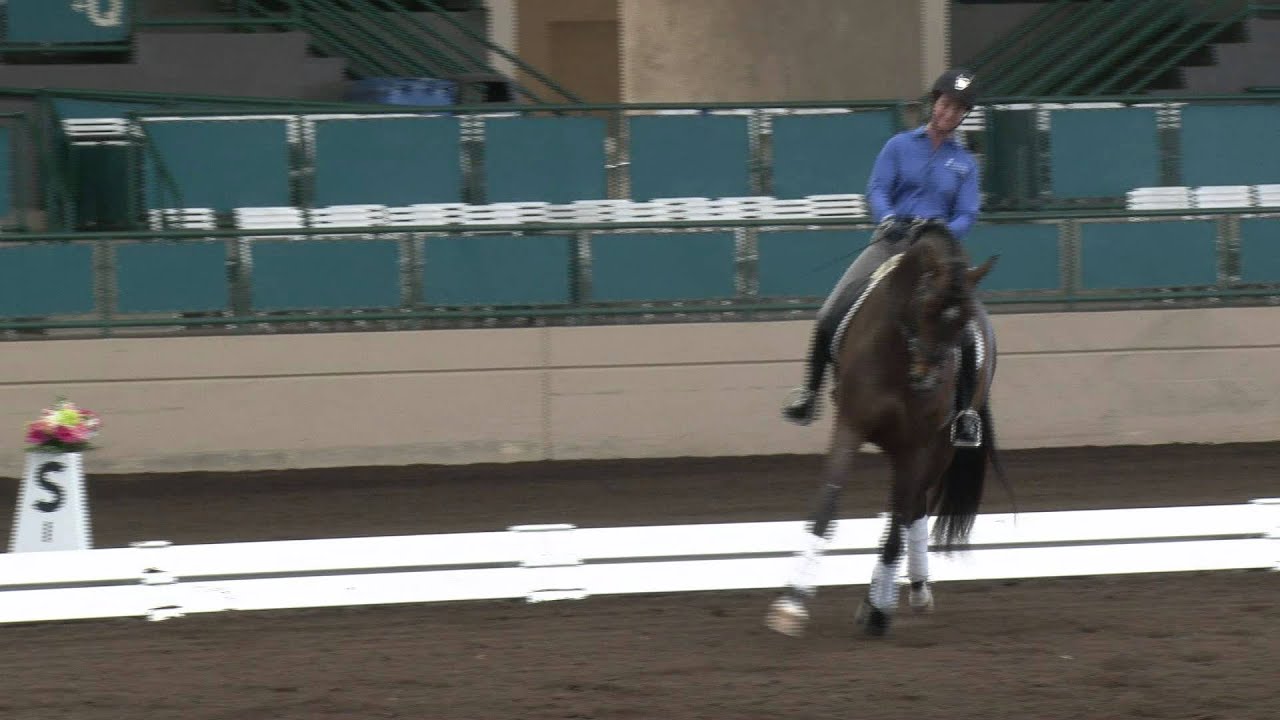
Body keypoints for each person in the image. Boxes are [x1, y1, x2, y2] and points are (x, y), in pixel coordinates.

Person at [781, 68, 983, 445]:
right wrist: (887, 218)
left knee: (968, 328)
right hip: (893, 241)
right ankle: (808, 395)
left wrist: (942, 233)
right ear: (933, 103)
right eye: (944, 104)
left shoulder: (966, 164)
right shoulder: (899, 146)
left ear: (963, 116)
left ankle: (966, 414)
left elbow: (968, 214)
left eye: (958, 109)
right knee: (831, 310)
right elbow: (877, 189)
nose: (948, 113)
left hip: (939, 252)